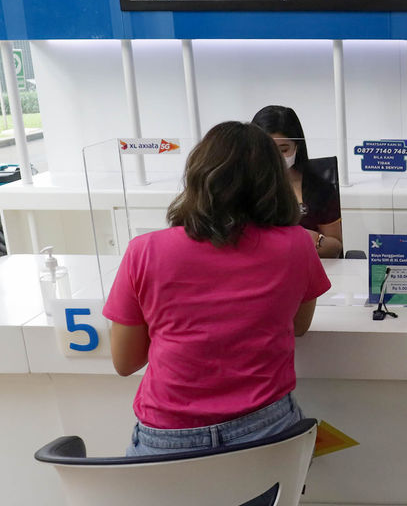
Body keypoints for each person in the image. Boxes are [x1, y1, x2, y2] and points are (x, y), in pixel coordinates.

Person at [103, 121, 331, 456]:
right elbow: (298, 325)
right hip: (267, 430)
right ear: (274, 181)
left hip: (168, 438)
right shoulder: (297, 244)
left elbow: (125, 362)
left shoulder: (145, 250)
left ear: (197, 175)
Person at [252, 105, 344, 258]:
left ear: (297, 147)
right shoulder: (242, 186)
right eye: (268, 150)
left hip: (303, 266)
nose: (276, 158)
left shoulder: (320, 189)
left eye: (283, 150)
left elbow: (336, 247)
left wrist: (312, 240)